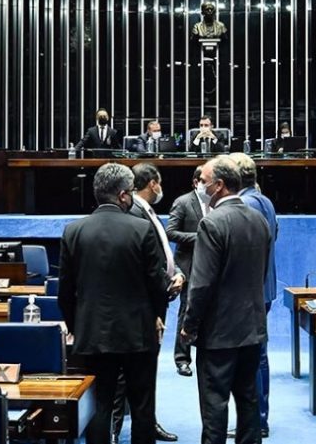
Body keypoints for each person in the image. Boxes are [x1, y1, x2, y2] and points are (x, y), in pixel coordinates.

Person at [58, 163, 170, 444]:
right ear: (122, 195)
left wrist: (76, 326)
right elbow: (157, 282)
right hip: (138, 333)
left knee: (99, 406)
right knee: (143, 407)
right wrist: (158, 316)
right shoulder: (142, 229)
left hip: (92, 332)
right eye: (131, 191)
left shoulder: (74, 231)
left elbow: (65, 291)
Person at [181, 157, 271, 444]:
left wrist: (189, 326)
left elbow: (202, 283)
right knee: (249, 403)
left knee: (214, 407)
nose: (201, 185)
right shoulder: (259, 220)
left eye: (204, 180)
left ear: (219, 186)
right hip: (253, 329)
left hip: (219, 333)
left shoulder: (212, 223)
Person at [111, 163, 185, 444]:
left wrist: (175, 273)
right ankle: (115, 430)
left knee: (147, 367)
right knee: (126, 373)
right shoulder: (133, 211)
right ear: (152, 183)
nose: (161, 187)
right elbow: (141, 264)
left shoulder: (147, 211)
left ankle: (147, 421)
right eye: (160, 182)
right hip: (142, 305)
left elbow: (161, 255)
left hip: (156, 298)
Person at [228, 153, 278, 439]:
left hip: (250, 291)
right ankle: (261, 417)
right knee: (260, 355)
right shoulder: (266, 201)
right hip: (265, 286)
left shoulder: (244, 205)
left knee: (250, 358)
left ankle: (256, 421)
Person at [165, 166, 207, 377]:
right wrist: (199, 237)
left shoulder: (216, 202)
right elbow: (170, 232)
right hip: (189, 263)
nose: (207, 186)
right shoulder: (182, 202)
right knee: (187, 311)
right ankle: (182, 358)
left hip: (211, 264)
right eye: (204, 181)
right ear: (195, 182)